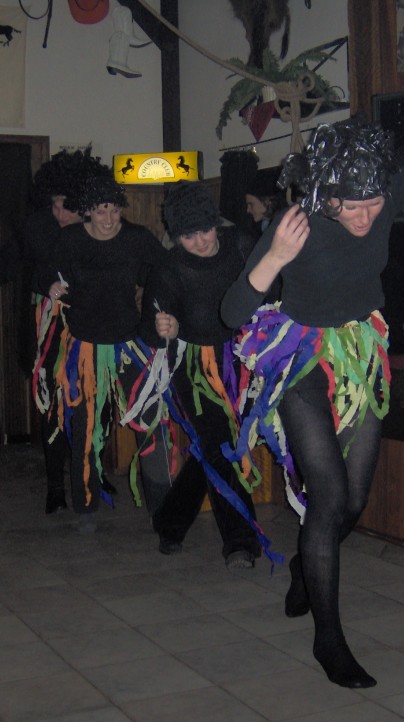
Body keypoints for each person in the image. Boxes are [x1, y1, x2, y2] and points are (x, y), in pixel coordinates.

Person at [221, 119, 404, 689]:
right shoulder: (295, 223)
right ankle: (330, 640)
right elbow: (232, 311)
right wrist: (274, 257)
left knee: (354, 501)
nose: (365, 217)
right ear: (325, 195)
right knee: (329, 495)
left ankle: (307, 564)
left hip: (359, 351)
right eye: (350, 206)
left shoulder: (386, 191)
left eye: (373, 204)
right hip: (300, 358)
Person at [0, 148, 117, 515]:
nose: (59, 212)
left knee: (98, 399)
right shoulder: (37, 225)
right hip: (48, 325)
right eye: (54, 205)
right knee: (52, 402)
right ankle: (55, 487)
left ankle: (93, 471)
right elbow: (13, 254)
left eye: (66, 206)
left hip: (92, 323)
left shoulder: (102, 228)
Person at [35, 170, 172, 534]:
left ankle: (163, 509)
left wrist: (164, 311)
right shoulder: (70, 240)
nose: (109, 218)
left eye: (114, 209)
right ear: (87, 212)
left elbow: (167, 272)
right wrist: (50, 284)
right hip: (84, 347)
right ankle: (86, 508)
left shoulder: (136, 239)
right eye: (100, 211)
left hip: (129, 344)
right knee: (85, 429)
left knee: (150, 422)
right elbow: (42, 271)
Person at [143, 182, 269, 569]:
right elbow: (149, 328)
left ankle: (170, 520)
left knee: (215, 447)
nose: (199, 242)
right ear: (175, 235)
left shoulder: (242, 245)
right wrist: (162, 327)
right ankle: (240, 539)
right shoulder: (168, 267)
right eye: (187, 235)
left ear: (216, 223)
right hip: (193, 367)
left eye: (204, 230)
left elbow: (272, 290)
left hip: (242, 361)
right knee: (220, 444)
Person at [244, 168, 289, 236]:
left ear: (268, 201)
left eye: (251, 204)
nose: (248, 210)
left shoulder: (284, 226)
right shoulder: (262, 227)